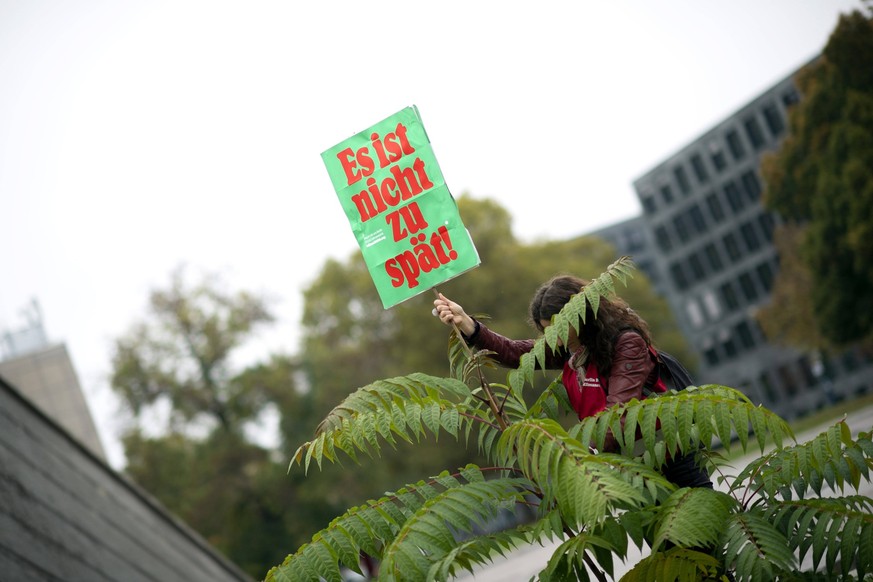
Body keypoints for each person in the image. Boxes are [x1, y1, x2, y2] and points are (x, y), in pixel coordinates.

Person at [433, 274, 712, 489]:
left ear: (582, 312)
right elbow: (518, 352)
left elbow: (618, 419)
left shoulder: (626, 343)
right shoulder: (571, 346)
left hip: (671, 459)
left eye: (559, 325)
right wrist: (467, 323)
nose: (554, 334)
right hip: (630, 467)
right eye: (546, 330)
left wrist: (570, 456)